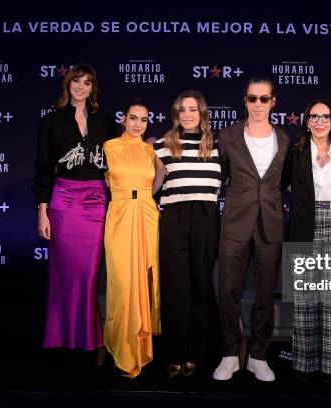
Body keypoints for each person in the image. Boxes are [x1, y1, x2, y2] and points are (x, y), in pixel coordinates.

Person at [33, 63, 117, 365]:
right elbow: (43, 169)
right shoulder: (52, 122)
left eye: (87, 82)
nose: (81, 87)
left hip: (96, 202)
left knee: (90, 273)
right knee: (64, 273)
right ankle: (60, 337)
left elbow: (120, 157)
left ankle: (88, 339)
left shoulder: (105, 121)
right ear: (68, 85)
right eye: (76, 81)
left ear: (93, 88)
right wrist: (43, 211)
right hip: (63, 201)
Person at [213, 78, 289, 382]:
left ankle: (258, 356)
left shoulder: (284, 138)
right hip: (235, 221)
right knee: (228, 291)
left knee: (265, 294)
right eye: (252, 98)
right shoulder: (228, 135)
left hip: (270, 223)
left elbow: (282, 181)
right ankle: (230, 354)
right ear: (245, 101)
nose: (258, 104)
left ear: (273, 102)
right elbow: (220, 173)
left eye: (264, 98)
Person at [283, 99, 331, 383]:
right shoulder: (297, 151)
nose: (320, 122)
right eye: (314, 117)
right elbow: (281, 183)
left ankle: (329, 366)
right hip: (305, 225)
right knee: (305, 299)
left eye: (325, 117)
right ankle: (304, 365)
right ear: (307, 121)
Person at [154, 90, 221, 378]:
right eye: (182, 110)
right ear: (176, 114)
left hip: (206, 219)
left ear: (202, 113)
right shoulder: (160, 145)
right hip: (173, 219)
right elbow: (152, 186)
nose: (188, 115)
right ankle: (174, 354)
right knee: (174, 289)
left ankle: (195, 353)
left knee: (199, 287)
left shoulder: (219, 146)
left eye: (193, 109)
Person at [102, 98, 166, 378]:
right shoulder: (109, 147)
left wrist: (147, 196)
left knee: (144, 279)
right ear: (123, 119)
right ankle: (121, 346)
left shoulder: (152, 149)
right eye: (133, 118)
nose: (138, 124)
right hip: (119, 214)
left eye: (143, 119)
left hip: (146, 215)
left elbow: (162, 173)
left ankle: (141, 348)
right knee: (121, 282)